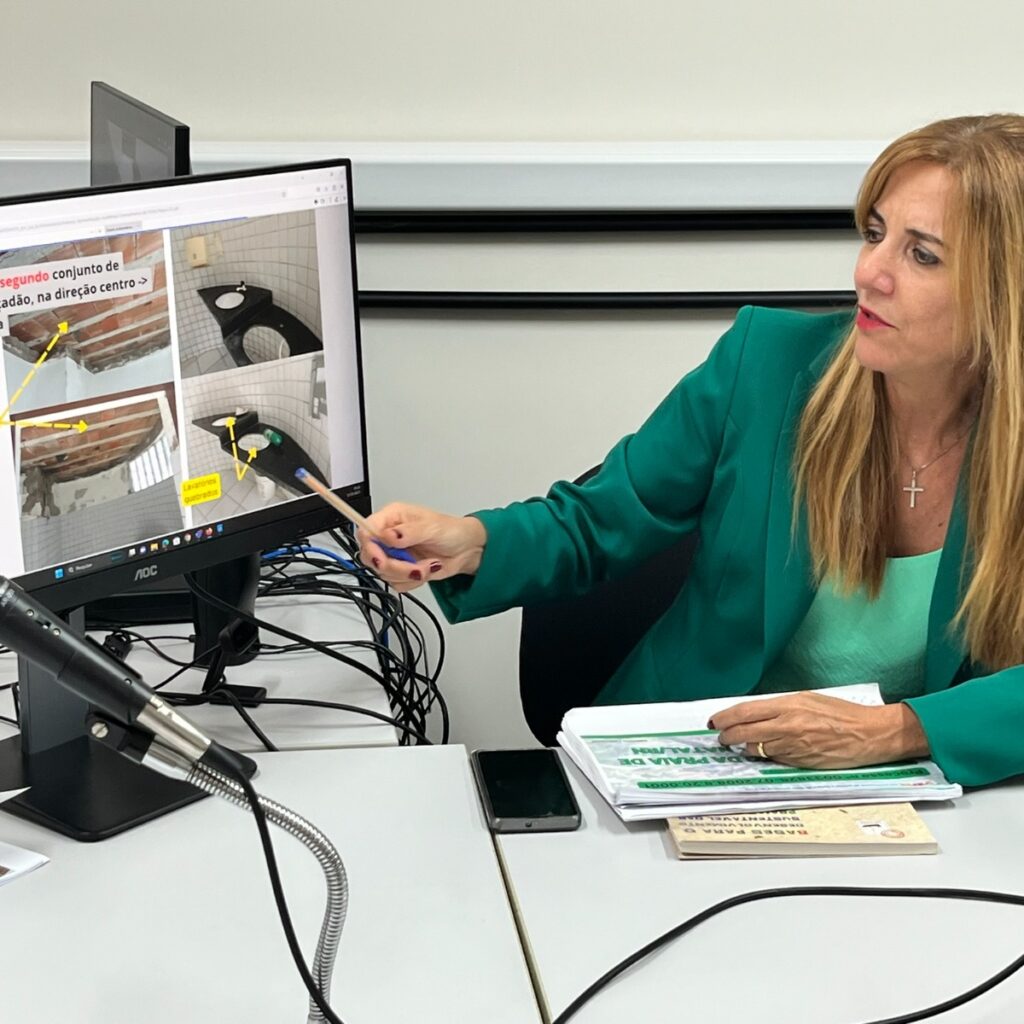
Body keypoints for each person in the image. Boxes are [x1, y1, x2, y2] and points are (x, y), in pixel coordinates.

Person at [357, 114, 1024, 789]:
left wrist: (899, 731)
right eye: (875, 235)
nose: (868, 273)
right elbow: (598, 521)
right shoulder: (764, 367)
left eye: (923, 254)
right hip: (695, 769)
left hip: (911, 801)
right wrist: (471, 541)